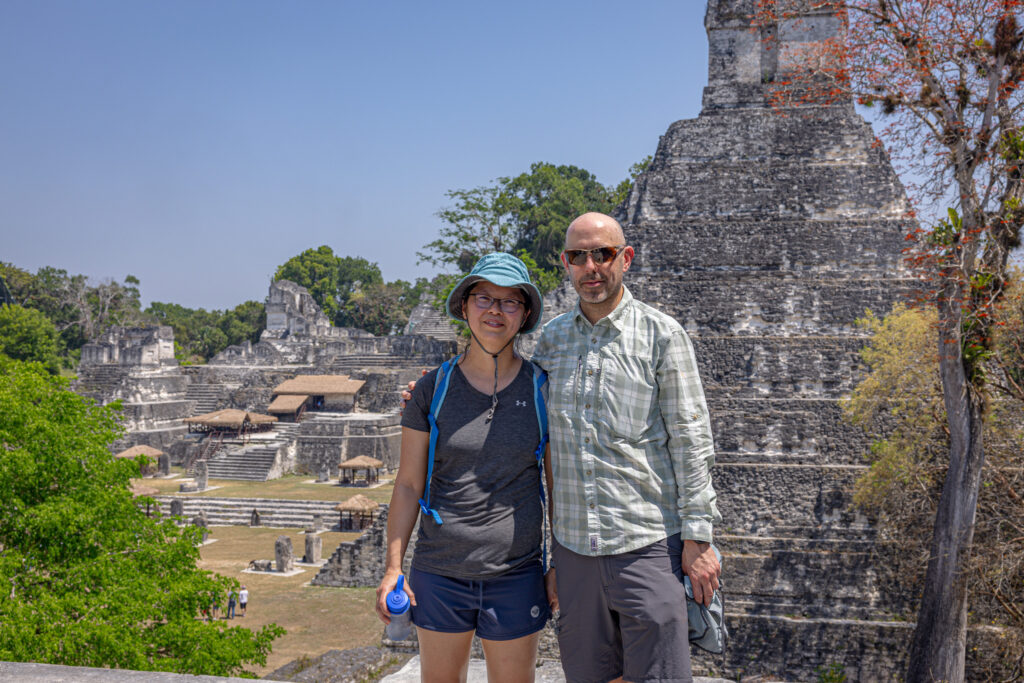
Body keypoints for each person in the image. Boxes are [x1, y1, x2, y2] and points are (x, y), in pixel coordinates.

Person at [532, 211, 722, 683]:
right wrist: (429, 398)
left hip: (647, 543)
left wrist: (698, 539)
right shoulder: (551, 341)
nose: (591, 266)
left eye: (604, 253)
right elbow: (538, 441)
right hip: (575, 549)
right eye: (579, 256)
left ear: (626, 258)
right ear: (566, 263)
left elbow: (691, 438)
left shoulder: (663, 335)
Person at [376, 252, 553, 683]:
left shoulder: (543, 390)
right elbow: (408, 485)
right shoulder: (430, 390)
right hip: (440, 571)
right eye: (483, 298)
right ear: (464, 306)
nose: (495, 311)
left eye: (510, 301)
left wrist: (558, 566)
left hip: (515, 572)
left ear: (525, 314)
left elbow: (557, 485)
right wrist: (393, 567)